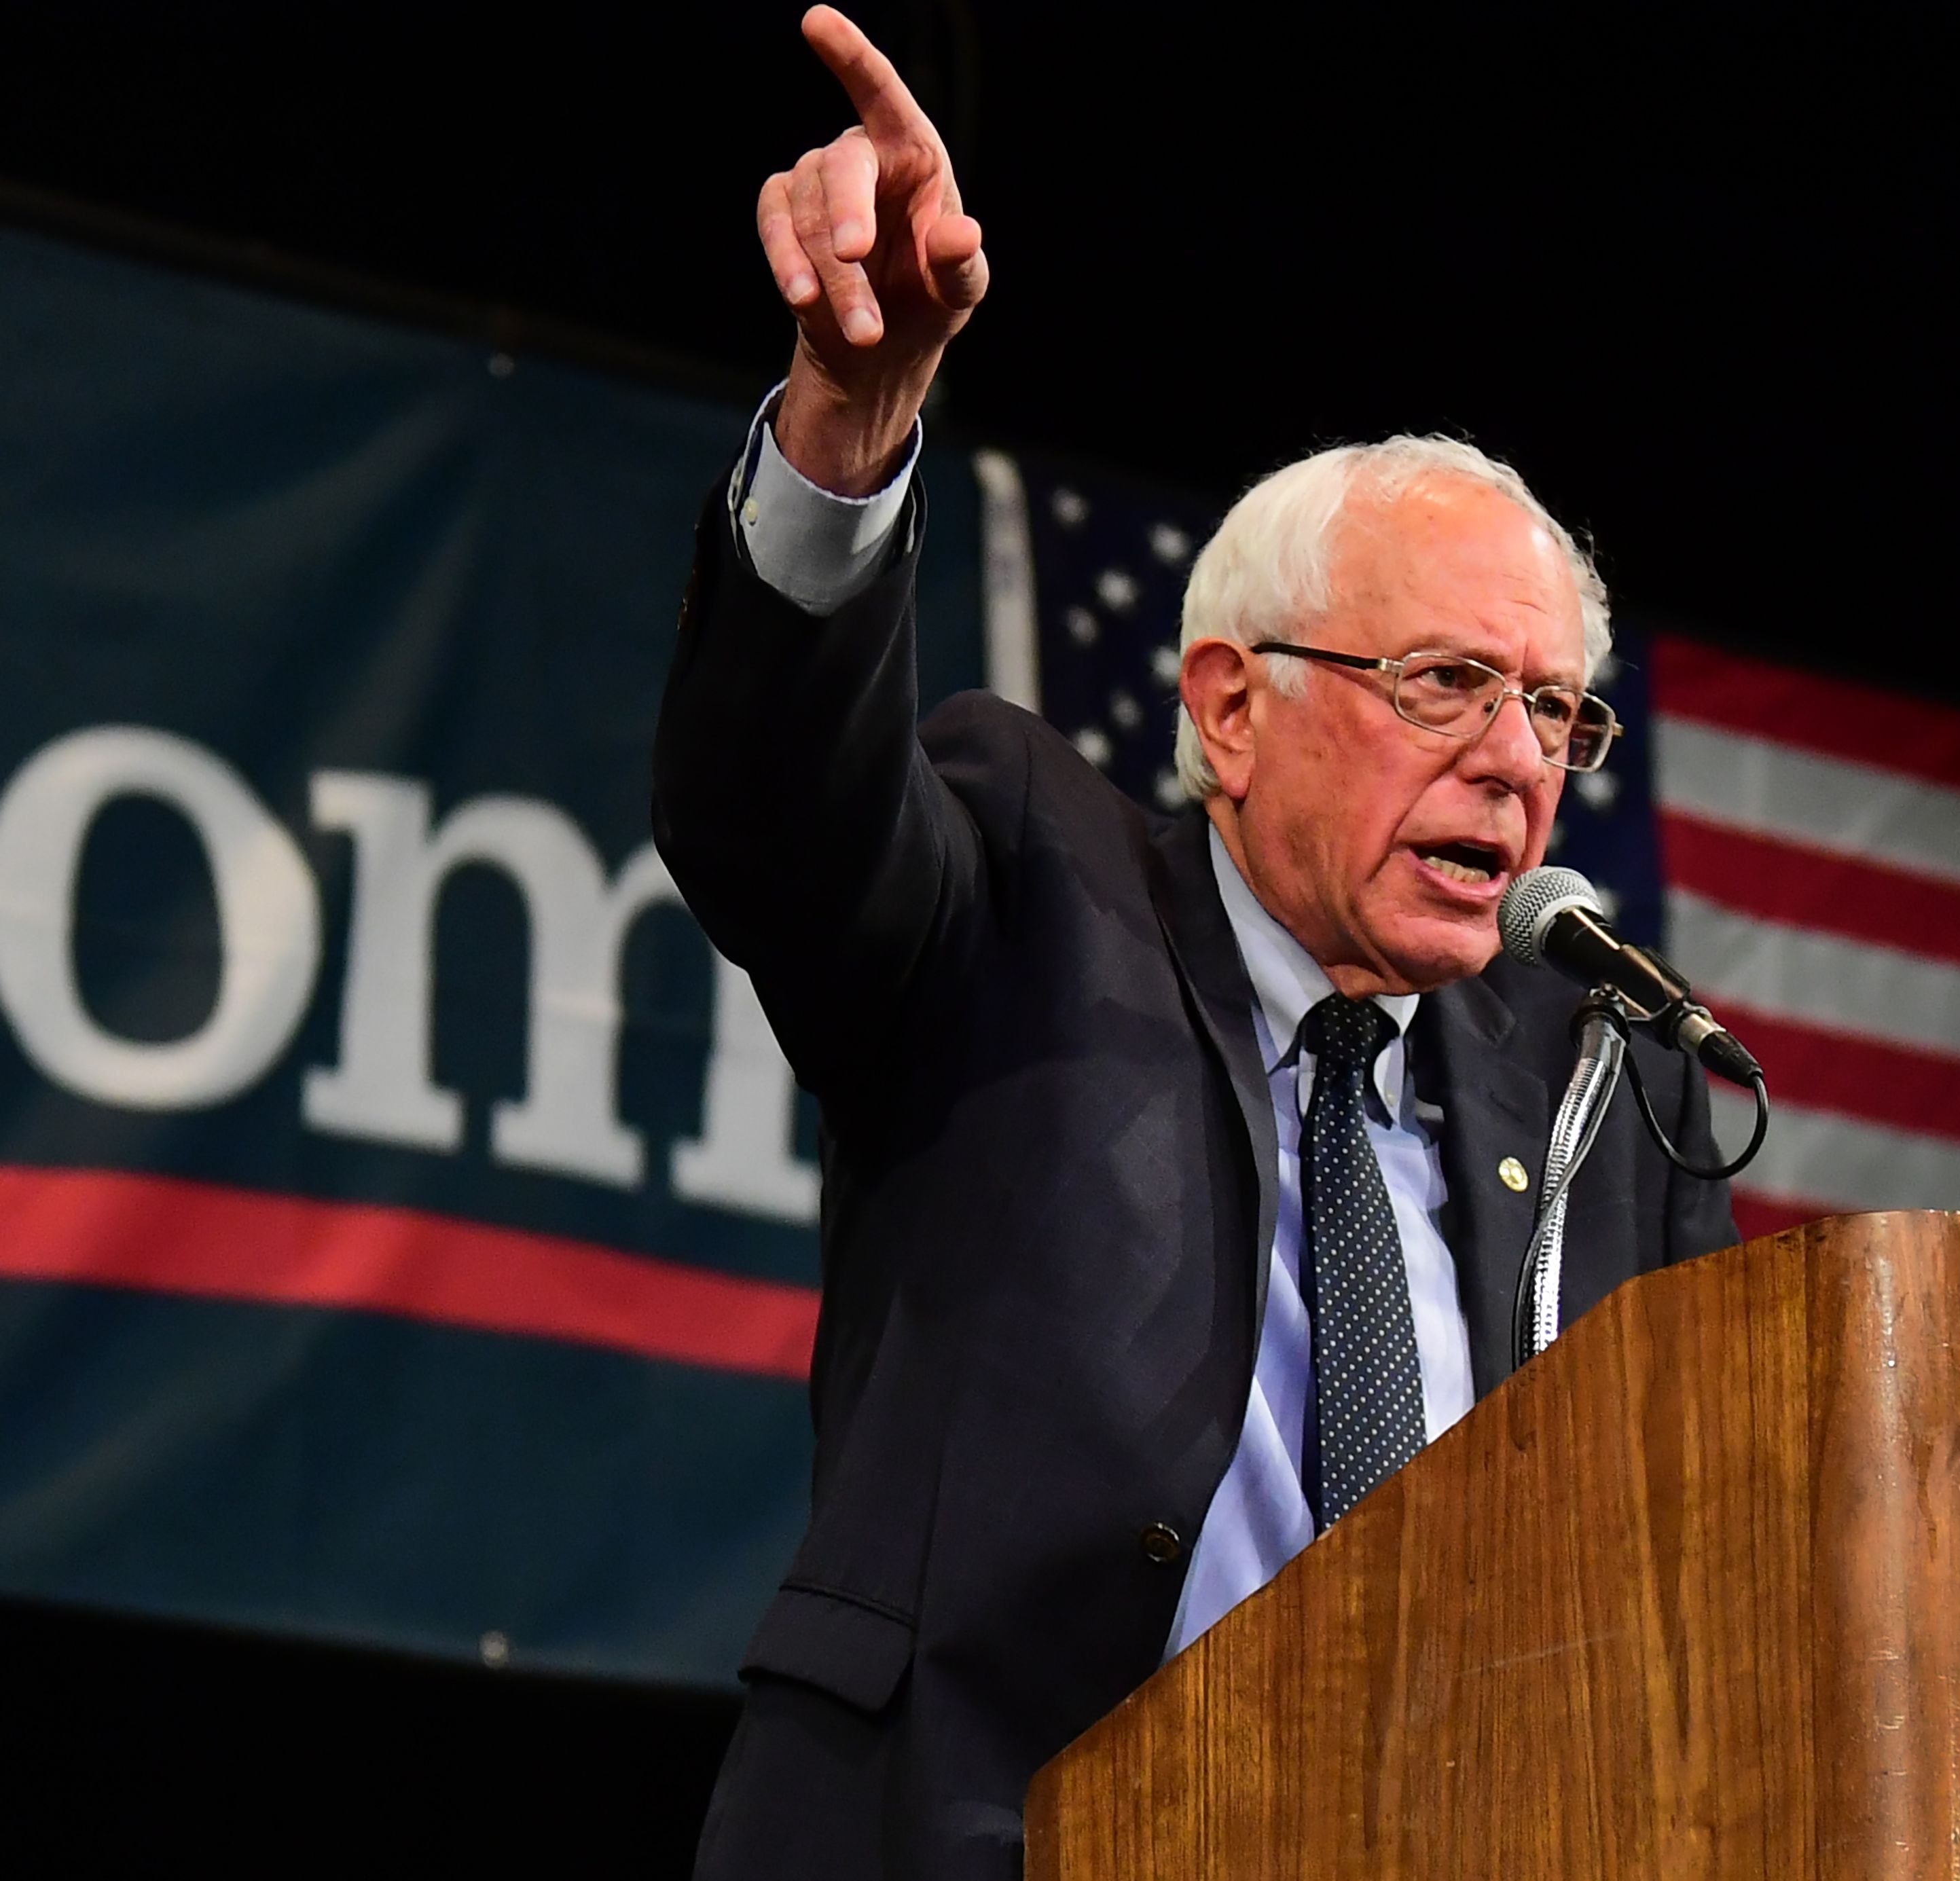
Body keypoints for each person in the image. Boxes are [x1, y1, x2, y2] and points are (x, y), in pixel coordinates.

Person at [655, 12, 1741, 1877]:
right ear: (1231, 710)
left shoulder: (1602, 1090)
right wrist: (845, 431)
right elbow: (772, 824)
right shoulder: (1026, 877)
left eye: (1559, 714)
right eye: (1448, 685)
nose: (1516, 760)